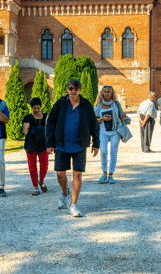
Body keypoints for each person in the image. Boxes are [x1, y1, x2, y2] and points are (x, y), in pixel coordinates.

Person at [46, 79, 99, 217]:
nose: (73, 91)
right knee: (59, 173)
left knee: (77, 174)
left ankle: (73, 205)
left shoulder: (86, 105)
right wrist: (49, 143)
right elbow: (51, 122)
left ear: (80, 90)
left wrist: (96, 143)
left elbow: (94, 124)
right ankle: (65, 193)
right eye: (70, 88)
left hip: (79, 145)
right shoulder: (60, 103)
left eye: (76, 89)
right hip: (61, 144)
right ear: (67, 89)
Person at [94, 85, 127, 184]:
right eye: (105, 92)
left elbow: (121, 116)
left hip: (115, 131)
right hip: (103, 131)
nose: (107, 94)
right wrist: (103, 119)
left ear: (112, 93)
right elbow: (93, 120)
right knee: (103, 152)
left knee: (113, 153)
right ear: (102, 93)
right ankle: (104, 173)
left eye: (109, 92)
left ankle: (111, 175)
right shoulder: (98, 105)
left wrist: (123, 116)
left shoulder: (116, 104)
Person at [23, 98, 48, 196]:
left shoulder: (46, 116)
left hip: (43, 144)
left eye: (38, 108)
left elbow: (49, 129)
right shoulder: (27, 118)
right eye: (34, 108)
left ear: (40, 107)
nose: (37, 110)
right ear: (31, 107)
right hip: (31, 144)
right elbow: (26, 131)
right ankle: (35, 187)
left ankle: (41, 181)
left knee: (44, 165)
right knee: (32, 166)